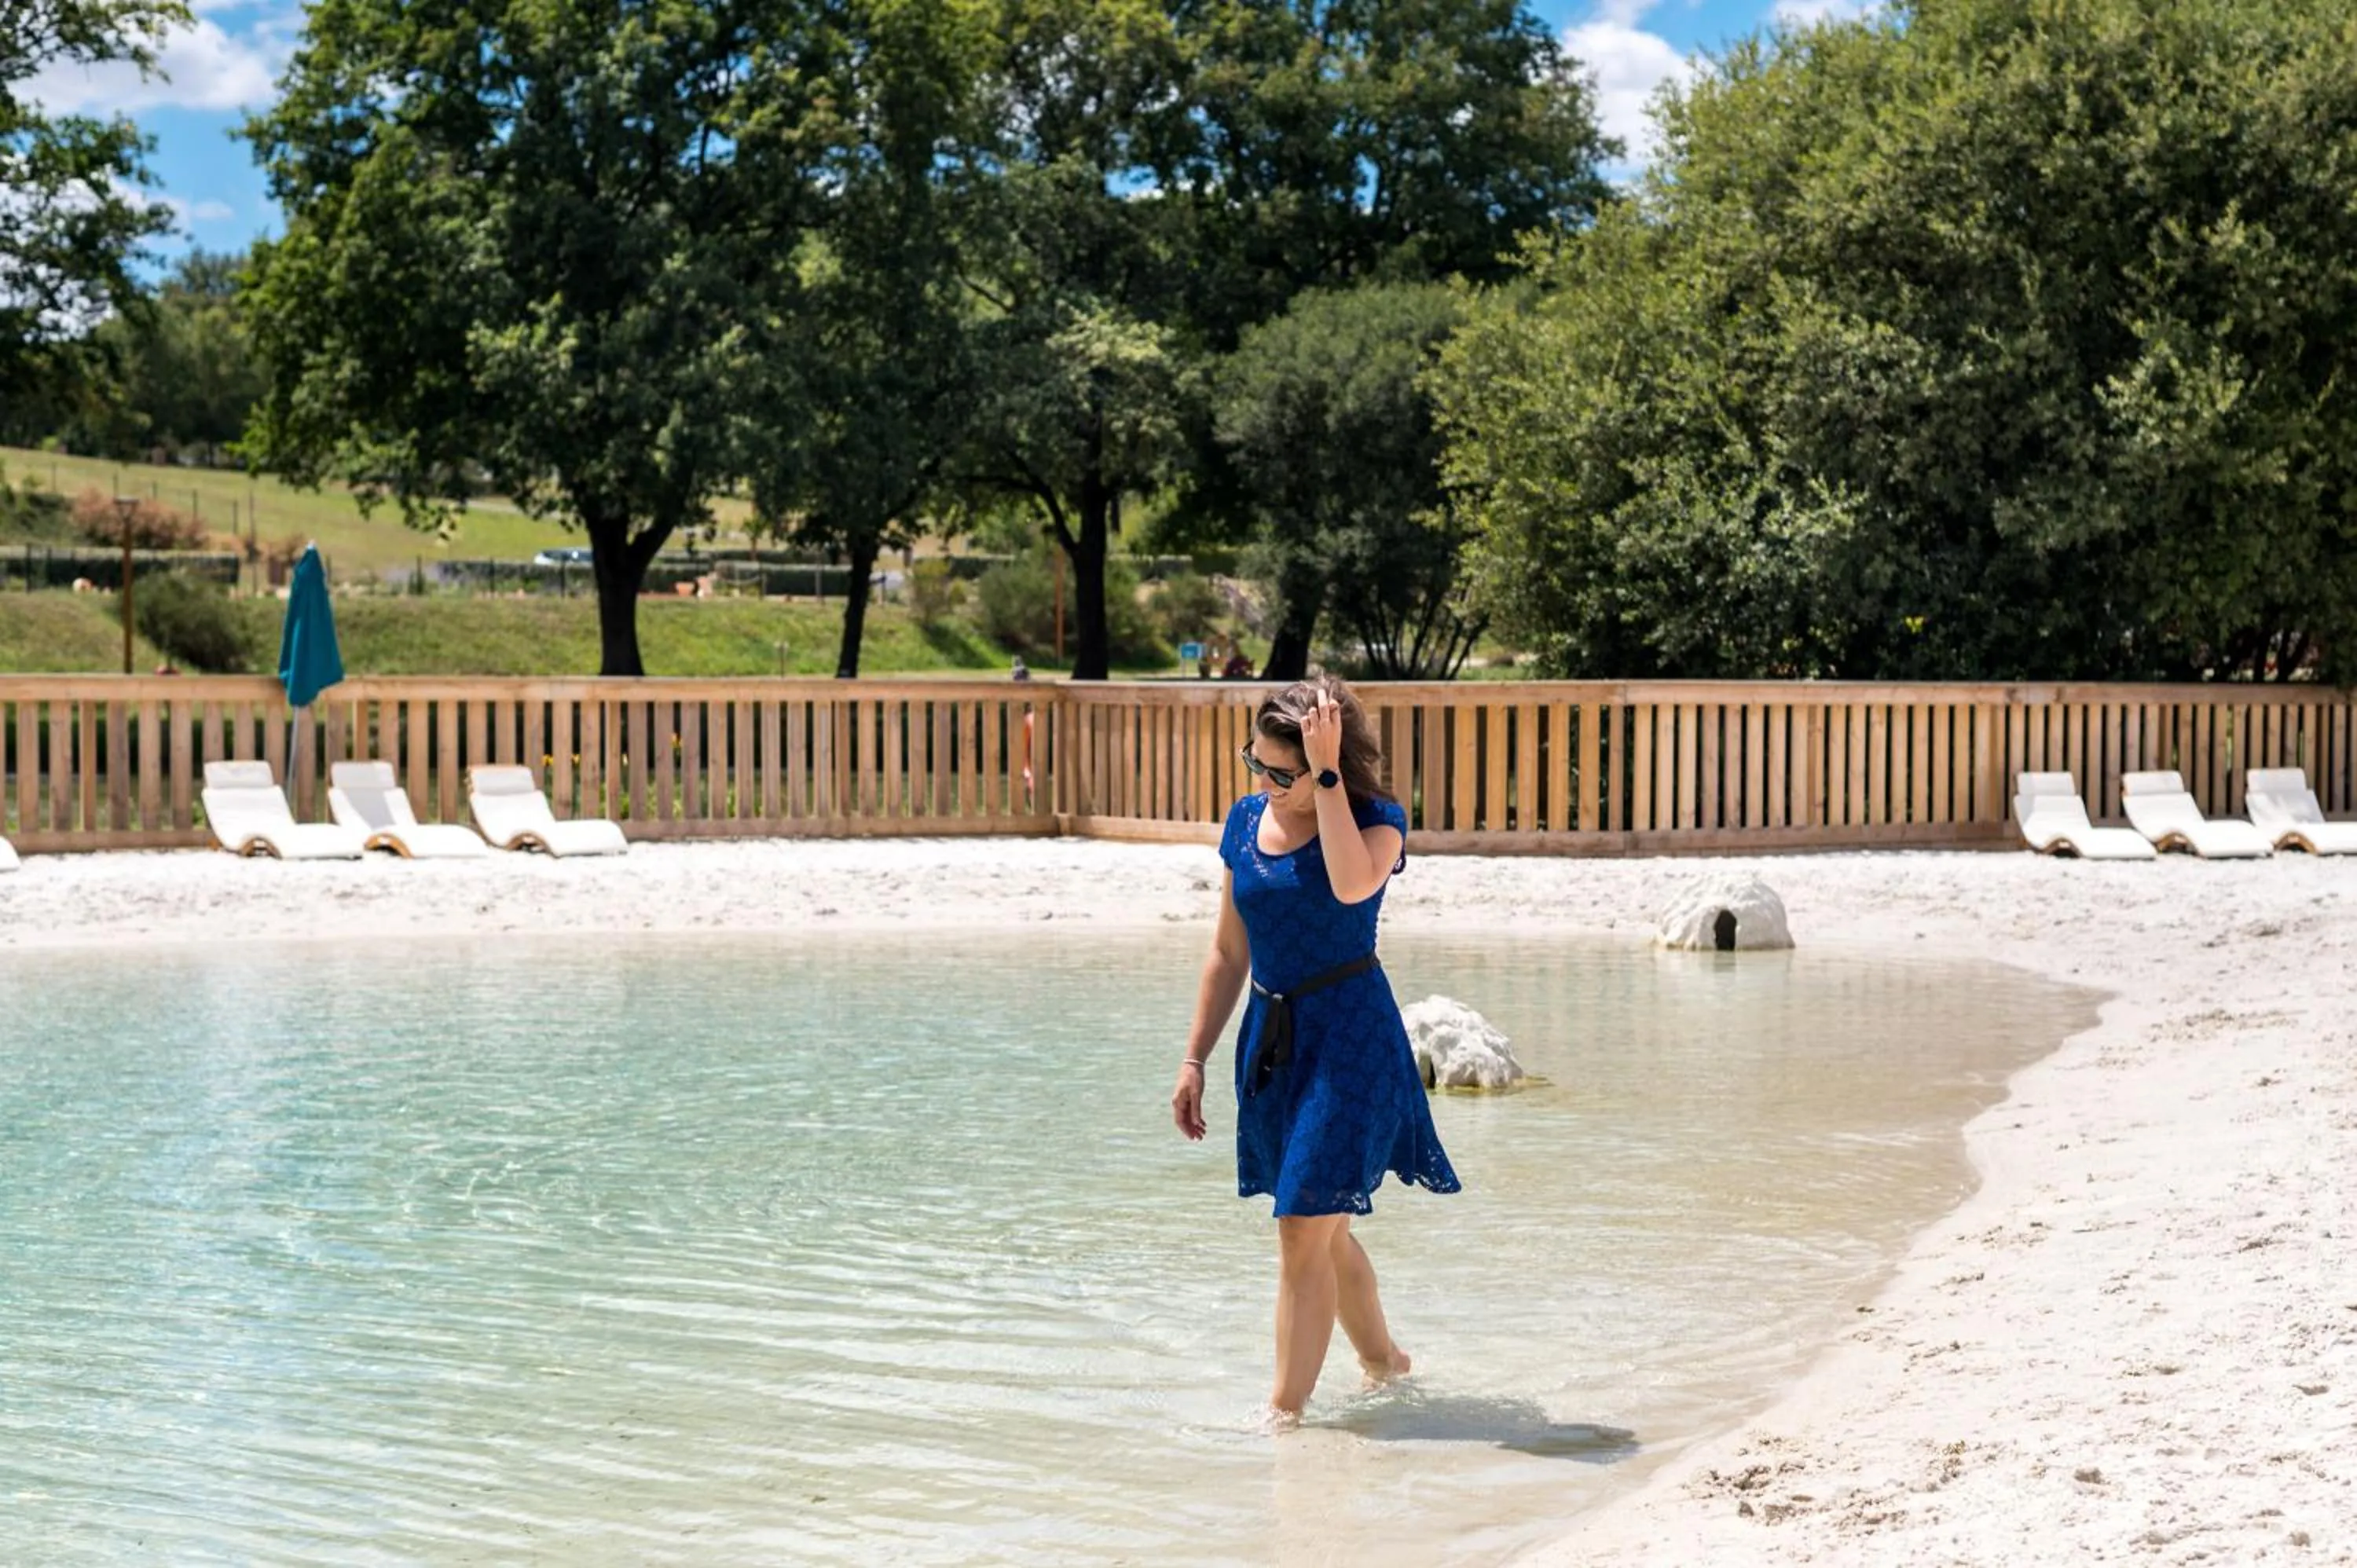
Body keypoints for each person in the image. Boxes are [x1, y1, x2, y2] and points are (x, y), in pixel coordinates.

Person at [1171, 676, 1461, 1425]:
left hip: (1351, 1044)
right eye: (1254, 764)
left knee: (1302, 1226)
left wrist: (1327, 782)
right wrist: (1195, 1058)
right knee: (1324, 1229)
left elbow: (1350, 884)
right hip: (1272, 1044)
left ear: (1329, 760)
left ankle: (1284, 1418)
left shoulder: (1375, 821)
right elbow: (1229, 951)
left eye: (1280, 771)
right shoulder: (1245, 821)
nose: (1263, 784)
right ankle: (1385, 1362)